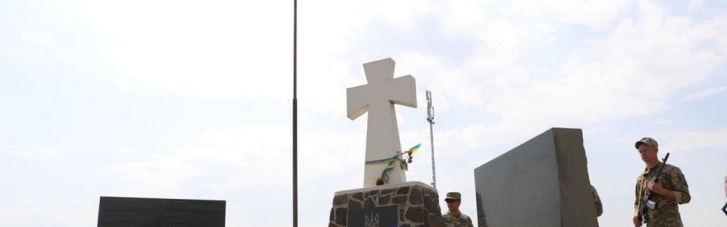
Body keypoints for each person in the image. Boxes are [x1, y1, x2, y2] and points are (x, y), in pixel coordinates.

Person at [632, 137, 691, 227]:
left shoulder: (671, 171)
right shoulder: (641, 178)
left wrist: (663, 192)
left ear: (656, 150)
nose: (643, 153)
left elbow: (685, 197)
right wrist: (636, 215)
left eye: (645, 150)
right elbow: (638, 202)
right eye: (640, 152)